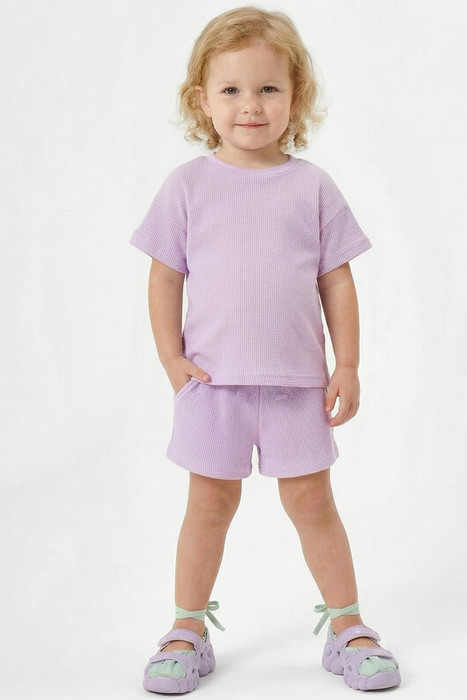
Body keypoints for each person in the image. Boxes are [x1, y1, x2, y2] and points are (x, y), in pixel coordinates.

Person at [130, 6, 401, 694]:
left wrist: (347, 364)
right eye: (231, 89)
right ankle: (186, 630)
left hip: (296, 386)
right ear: (202, 100)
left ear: (295, 96)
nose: (250, 105)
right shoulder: (187, 186)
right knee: (207, 505)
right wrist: (170, 360)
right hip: (212, 386)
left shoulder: (313, 187)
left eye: (268, 88)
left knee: (313, 503)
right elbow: (164, 277)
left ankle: (348, 628)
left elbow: (336, 281)